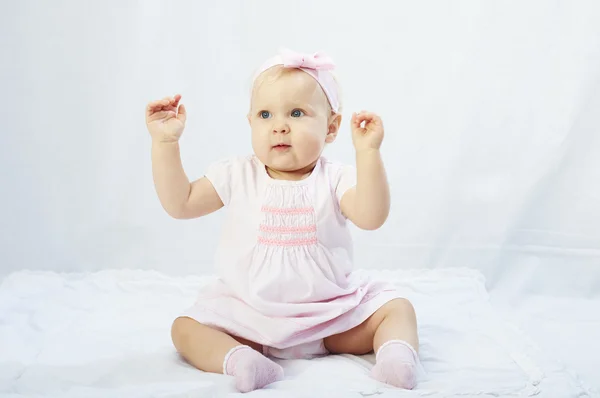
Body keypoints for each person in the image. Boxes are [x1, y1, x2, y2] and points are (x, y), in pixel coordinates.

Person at [145, 49, 421, 393]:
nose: (279, 125)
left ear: (331, 127)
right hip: (249, 317)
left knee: (397, 308)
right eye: (265, 114)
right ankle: (242, 360)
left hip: (330, 319)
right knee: (185, 328)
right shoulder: (236, 173)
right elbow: (181, 203)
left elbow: (372, 217)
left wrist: (368, 155)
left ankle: (395, 358)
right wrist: (165, 143)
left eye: (296, 113)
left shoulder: (335, 179)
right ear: (250, 123)